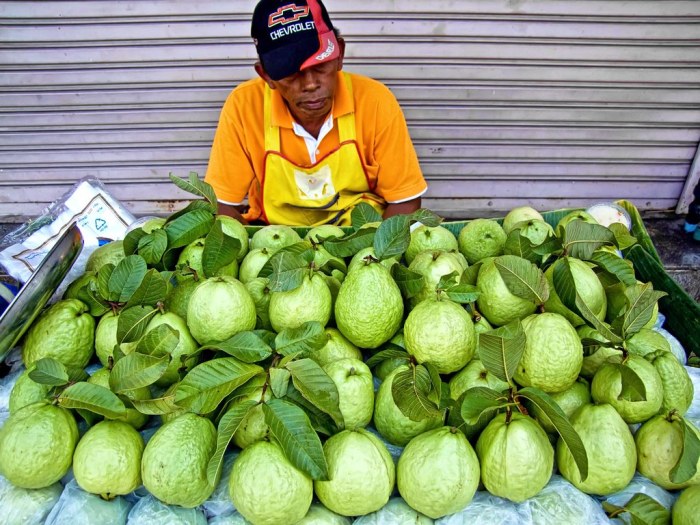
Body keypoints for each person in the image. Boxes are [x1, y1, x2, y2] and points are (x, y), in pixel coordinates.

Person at [204, 0, 428, 226]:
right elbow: (219, 204)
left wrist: (370, 254)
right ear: (267, 76)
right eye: (292, 72)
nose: (310, 84)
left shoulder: (375, 101)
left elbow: (405, 202)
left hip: (363, 238)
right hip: (275, 240)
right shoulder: (244, 106)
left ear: (339, 54)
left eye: (321, 66)